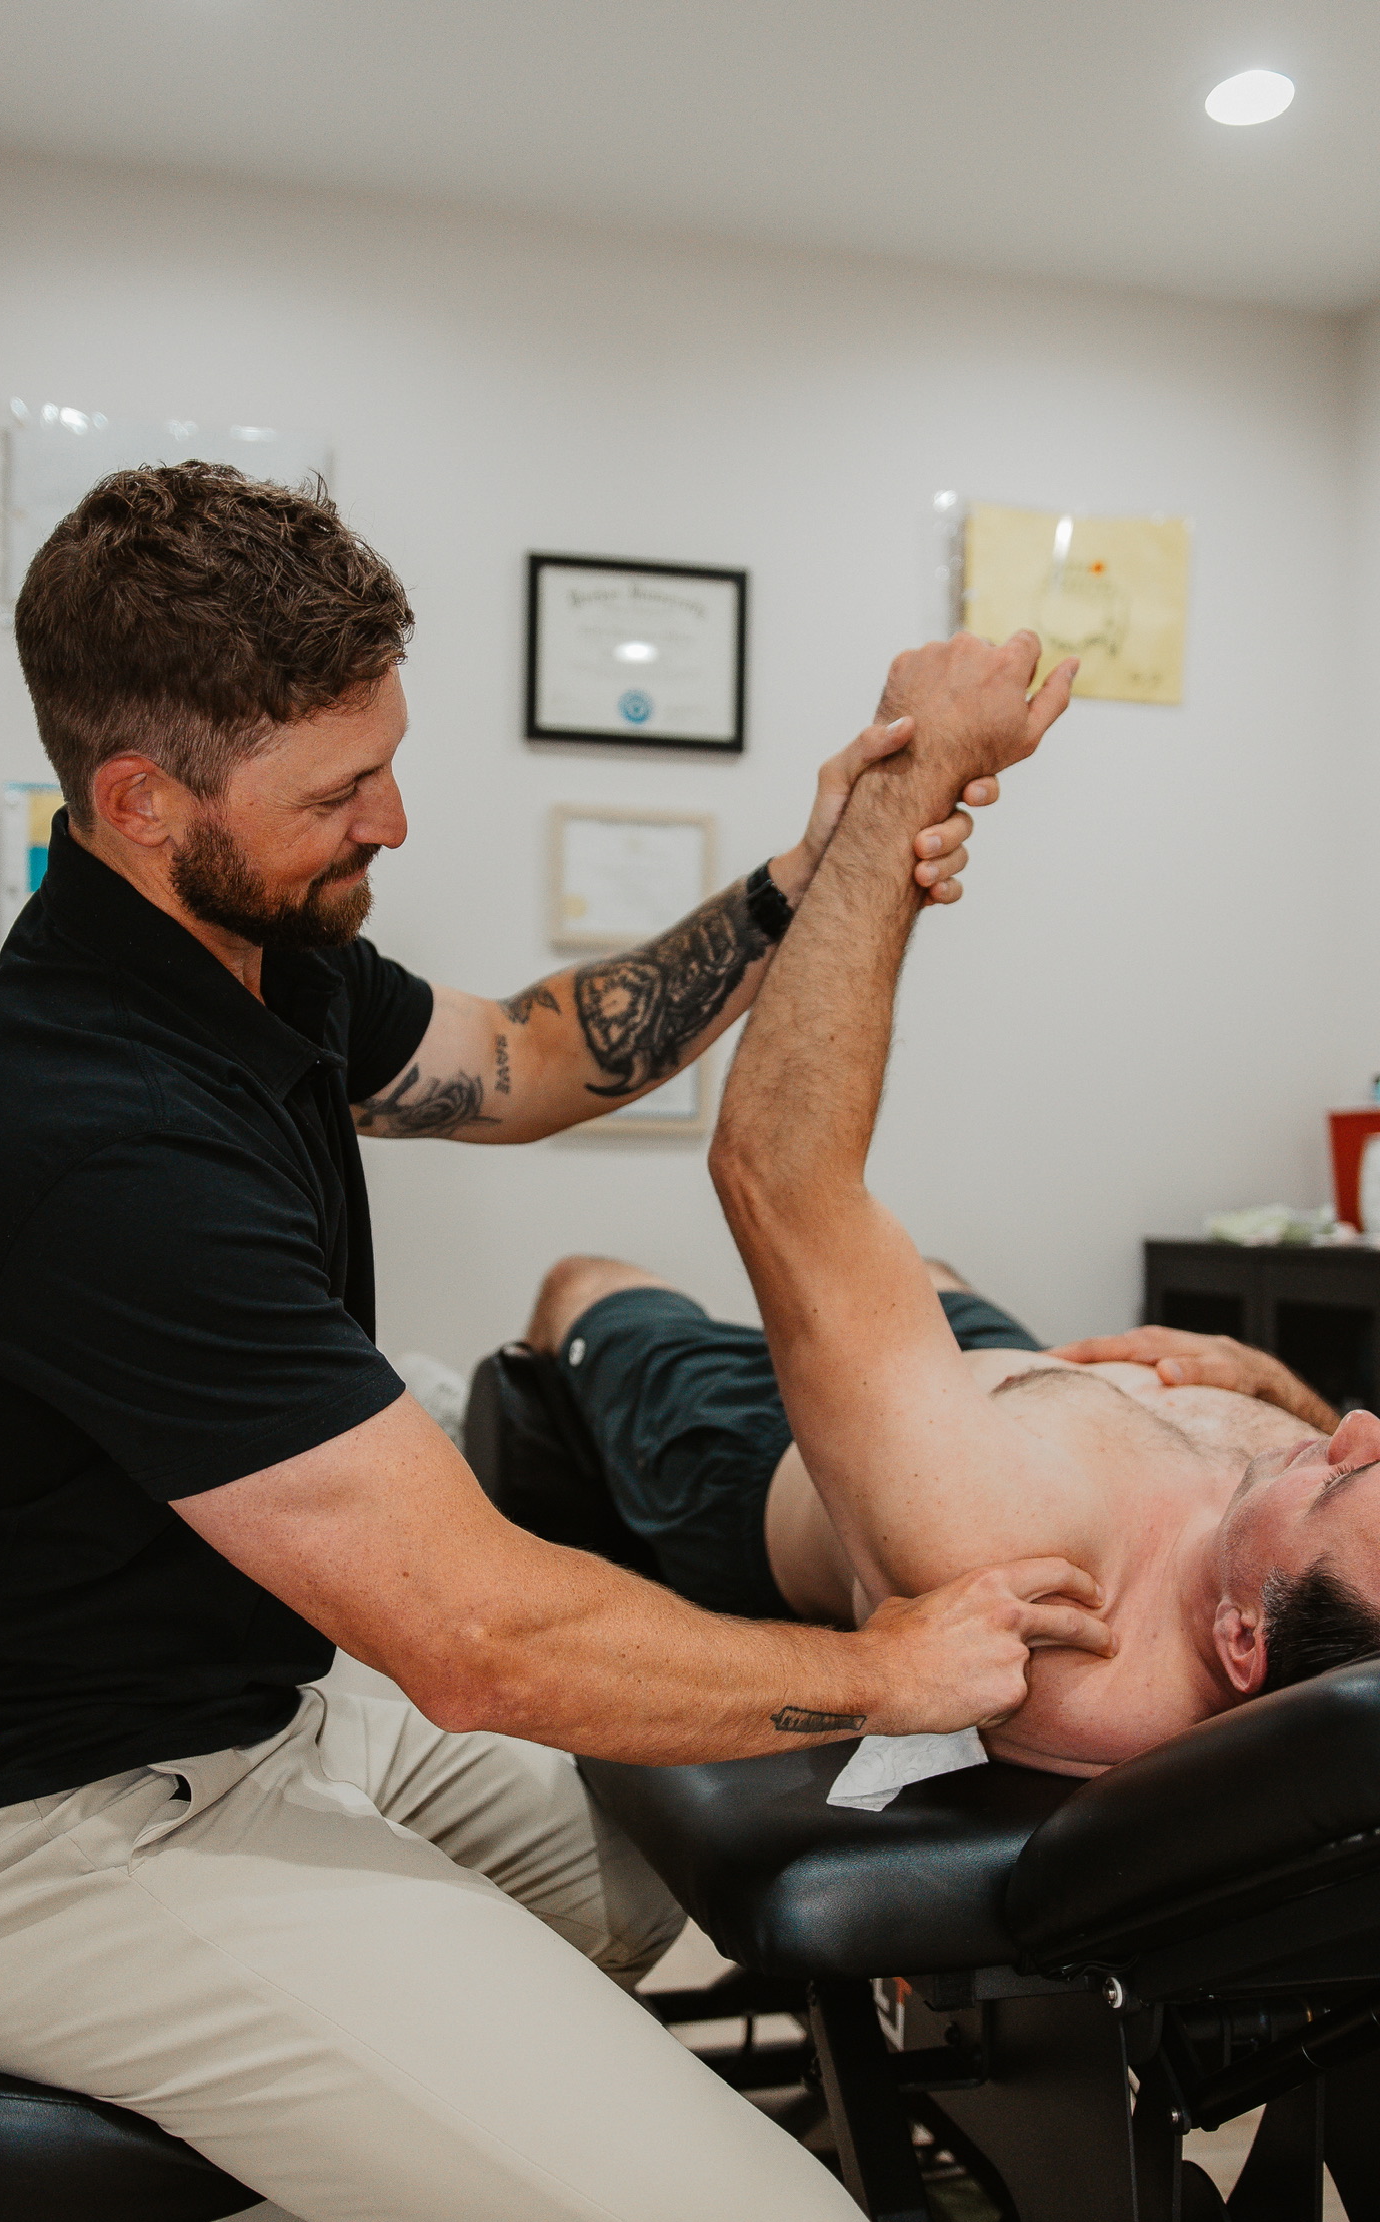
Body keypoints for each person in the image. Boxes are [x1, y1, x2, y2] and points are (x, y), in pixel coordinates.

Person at [0, 465, 1107, 2222]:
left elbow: (528, 1057)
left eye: (389, 755)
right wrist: (882, 1664)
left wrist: (803, 870)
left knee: (634, 1864)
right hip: (13, 1827)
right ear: (138, 800)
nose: (398, 815)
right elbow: (478, 1636)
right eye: (339, 791)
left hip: (231, 1710)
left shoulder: (253, 957)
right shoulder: (86, 1135)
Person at [529, 632, 1380, 1783]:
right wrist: (1279, 1395)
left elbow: (779, 1179)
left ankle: (523, 1403)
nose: (1358, 1431)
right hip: (1018, 1392)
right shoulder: (1312, 1586)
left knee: (588, 1282)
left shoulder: (1028, 1571)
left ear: (1241, 1642)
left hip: (766, 1458)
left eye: (1338, 1477)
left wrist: (908, 784)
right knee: (931, 1274)